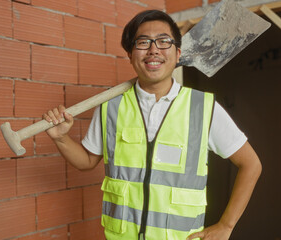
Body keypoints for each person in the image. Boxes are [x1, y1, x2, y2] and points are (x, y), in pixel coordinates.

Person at [43, 10, 262, 240]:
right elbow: (87, 161)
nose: (154, 49)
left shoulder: (203, 108)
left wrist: (226, 225)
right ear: (130, 54)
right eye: (143, 42)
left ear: (178, 54)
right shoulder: (111, 106)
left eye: (163, 41)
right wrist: (61, 138)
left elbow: (251, 164)